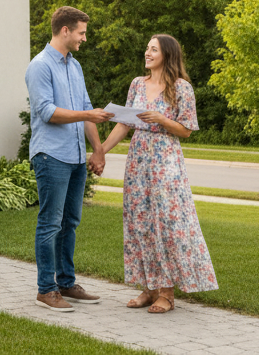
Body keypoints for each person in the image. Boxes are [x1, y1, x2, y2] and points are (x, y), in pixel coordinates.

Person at [99, 34, 217, 313]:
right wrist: (101, 150)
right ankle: (149, 288)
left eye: (153, 49)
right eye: (147, 48)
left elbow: (186, 130)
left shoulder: (181, 88)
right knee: (140, 223)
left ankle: (167, 292)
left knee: (165, 224)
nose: (147, 52)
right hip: (138, 161)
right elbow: (124, 124)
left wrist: (163, 120)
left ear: (167, 54)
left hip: (165, 162)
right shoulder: (137, 84)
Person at [25, 6, 114, 312]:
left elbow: (86, 107)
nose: (84, 39)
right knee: (50, 223)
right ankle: (46, 289)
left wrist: (98, 149)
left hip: (76, 157)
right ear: (65, 31)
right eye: (81, 32)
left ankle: (65, 282)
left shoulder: (74, 66)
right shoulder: (39, 66)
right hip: (51, 155)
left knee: (70, 223)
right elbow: (47, 112)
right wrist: (88, 114)